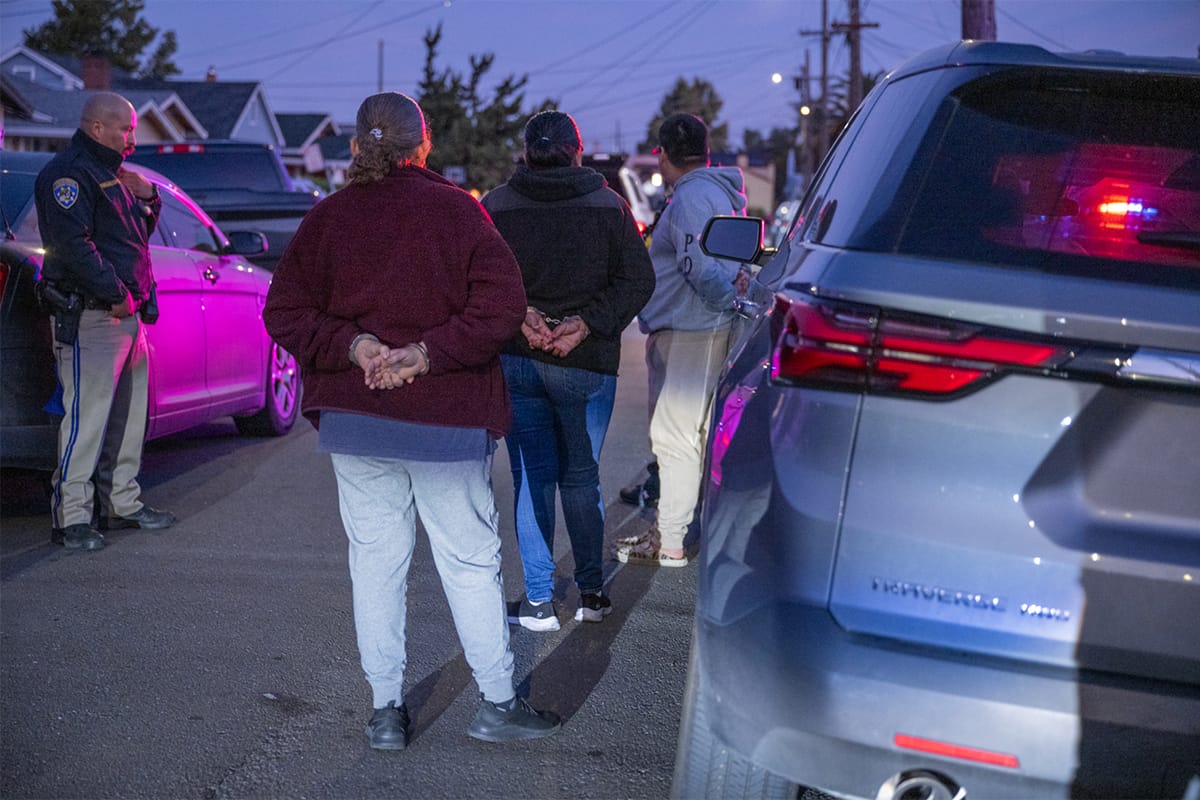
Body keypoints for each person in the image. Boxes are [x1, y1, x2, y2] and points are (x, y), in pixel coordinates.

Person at [261, 91, 560, 751]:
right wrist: (426, 354)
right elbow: (501, 306)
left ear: (356, 147)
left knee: (375, 564)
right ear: (423, 146)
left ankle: (385, 713)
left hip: (357, 418)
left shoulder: (329, 217)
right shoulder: (458, 211)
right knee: (469, 561)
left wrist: (355, 346)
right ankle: (497, 703)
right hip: (446, 420)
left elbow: (283, 311)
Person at [481, 111, 655, 631]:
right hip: (586, 363)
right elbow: (637, 279)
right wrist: (588, 324)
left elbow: (480, 280)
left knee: (533, 476)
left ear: (526, 153)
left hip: (519, 358)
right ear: (577, 152)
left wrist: (522, 316)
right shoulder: (609, 205)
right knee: (581, 476)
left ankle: (538, 601)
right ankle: (591, 595)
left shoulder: (496, 206)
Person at [35, 91, 176, 552]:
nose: (132, 138)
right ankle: (72, 518)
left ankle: (121, 503)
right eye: (126, 129)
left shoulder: (112, 174)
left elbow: (132, 238)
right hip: (94, 316)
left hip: (126, 315)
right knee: (86, 420)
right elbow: (73, 246)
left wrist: (151, 198)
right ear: (97, 128)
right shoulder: (69, 174)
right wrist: (116, 293)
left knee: (126, 422)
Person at [618, 113, 748, 567]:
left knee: (674, 438)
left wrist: (726, 302)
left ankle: (670, 540)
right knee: (694, 437)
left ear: (663, 156)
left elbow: (698, 266)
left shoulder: (692, 198)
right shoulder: (720, 193)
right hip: (704, 329)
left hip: (691, 330)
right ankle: (676, 531)